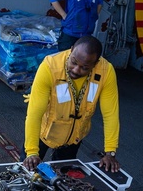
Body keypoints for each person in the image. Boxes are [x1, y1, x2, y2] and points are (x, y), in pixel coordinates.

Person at [22, 36, 120, 173]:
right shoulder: (50, 66)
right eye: (73, 62)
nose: (76, 70)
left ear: (95, 63)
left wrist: (110, 152)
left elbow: (110, 114)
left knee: (61, 181)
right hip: (43, 133)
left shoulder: (106, 72)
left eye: (84, 68)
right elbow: (34, 114)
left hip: (74, 138)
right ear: (71, 50)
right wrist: (32, 152)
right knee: (25, 175)